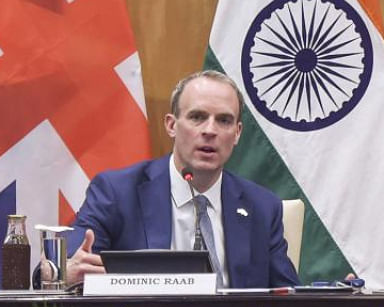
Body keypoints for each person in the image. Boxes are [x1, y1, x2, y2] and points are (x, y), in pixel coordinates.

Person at [62, 70, 299, 288]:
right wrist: (59, 271)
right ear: (171, 125)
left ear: (237, 133)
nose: (210, 130)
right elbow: (67, 267)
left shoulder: (262, 207)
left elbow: (290, 298)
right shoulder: (117, 193)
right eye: (197, 117)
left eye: (224, 121)